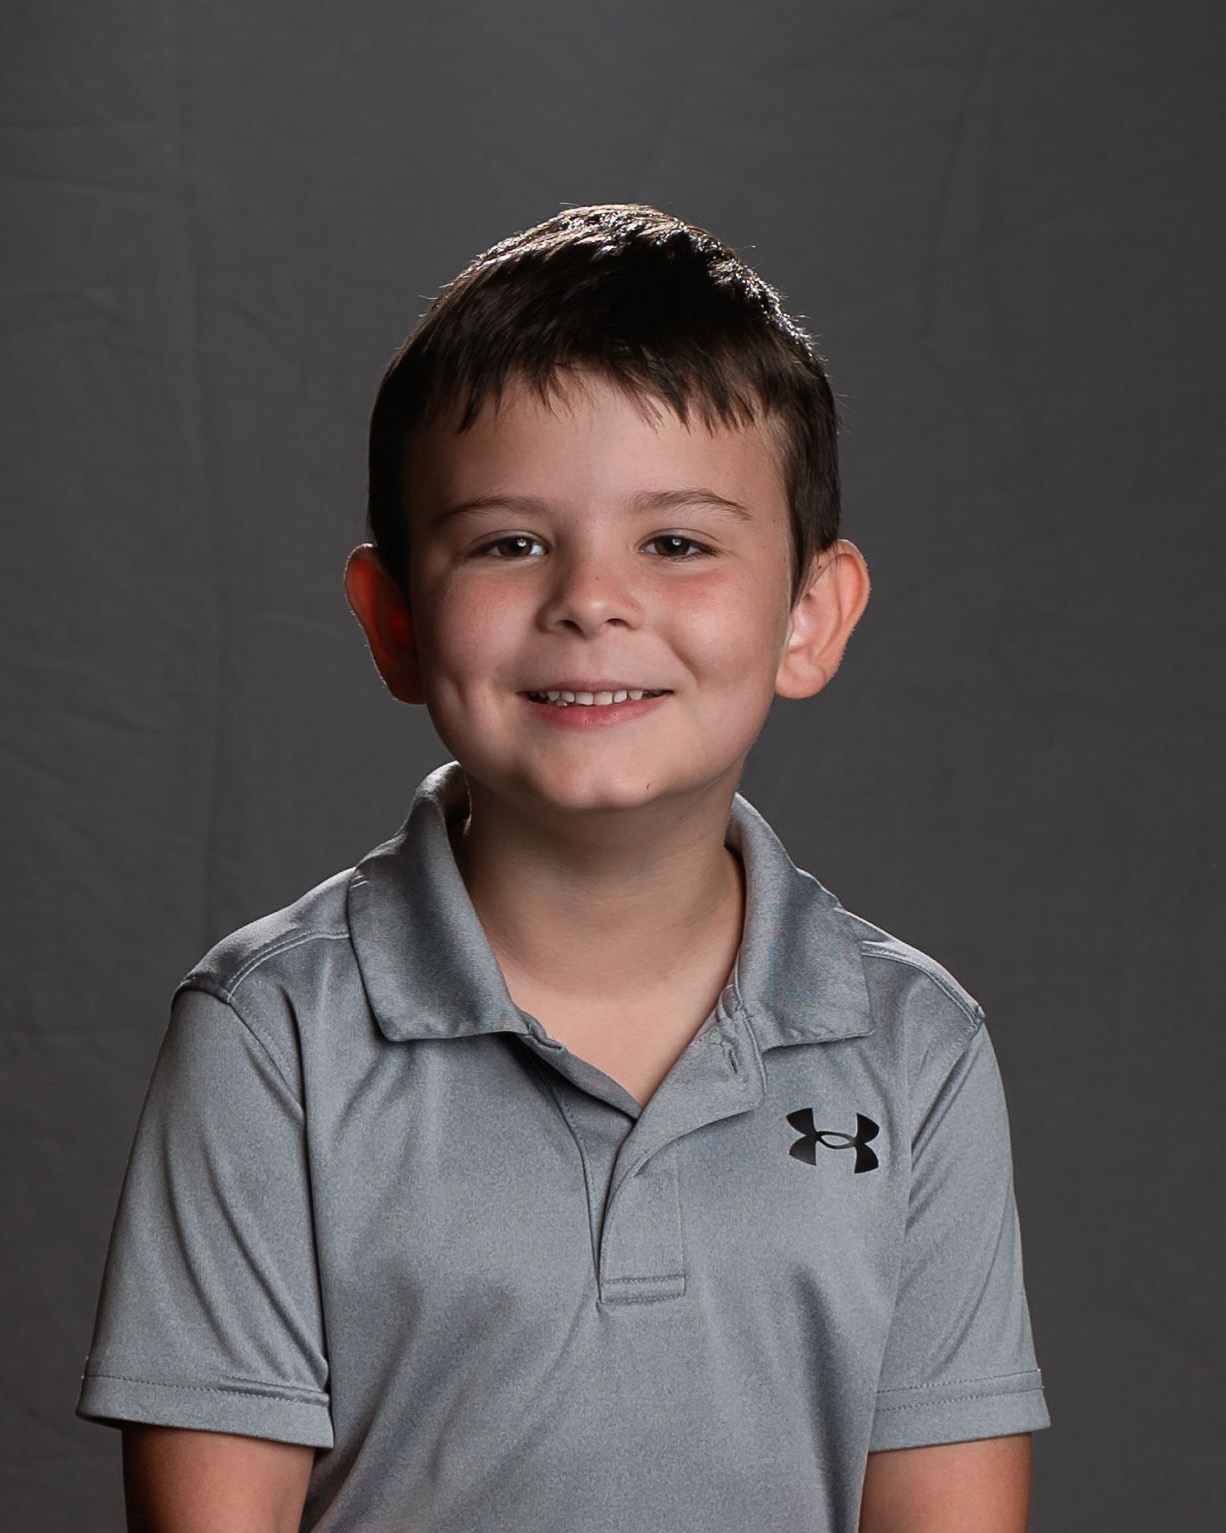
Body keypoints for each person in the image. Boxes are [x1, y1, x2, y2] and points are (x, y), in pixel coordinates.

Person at [78, 204, 1049, 1531]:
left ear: (808, 617)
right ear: (395, 621)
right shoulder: (272, 1039)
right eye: (509, 542)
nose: (591, 599)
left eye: (677, 542)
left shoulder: (914, 1048)